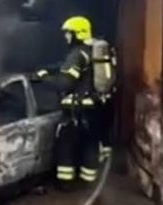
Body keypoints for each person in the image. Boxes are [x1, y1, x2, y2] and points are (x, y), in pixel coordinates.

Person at [34, 15, 108, 186]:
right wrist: (53, 67)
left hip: (77, 111)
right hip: (93, 109)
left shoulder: (76, 54)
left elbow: (65, 83)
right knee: (89, 145)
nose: (66, 37)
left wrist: (43, 76)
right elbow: (69, 68)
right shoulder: (90, 51)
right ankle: (87, 182)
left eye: (68, 33)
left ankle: (65, 184)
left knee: (65, 146)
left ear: (77, 34)